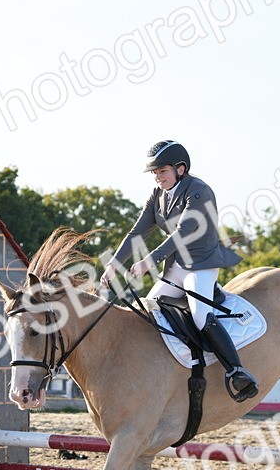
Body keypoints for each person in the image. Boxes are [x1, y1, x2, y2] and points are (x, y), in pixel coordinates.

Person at [101, 140, 258, 402]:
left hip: (201, 264)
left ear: (180, 169)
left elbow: (183, 232)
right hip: (175, 267)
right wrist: (113, 264)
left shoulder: (198, 191)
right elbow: (137, 232)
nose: (157, 177)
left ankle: (236, 371)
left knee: (199, 314)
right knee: (149, 309)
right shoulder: (157, 196)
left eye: (162, 171)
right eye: (154, 173)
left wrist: (148, 261)